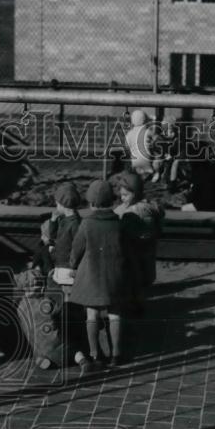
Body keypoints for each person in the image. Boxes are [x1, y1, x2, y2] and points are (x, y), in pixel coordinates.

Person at [68, 180, 127, 369]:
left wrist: (72, 266)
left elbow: (77, 249)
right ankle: (116, 354)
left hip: (91, 276)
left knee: (91, 315)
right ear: (111, 201)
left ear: (91, 203)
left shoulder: (86, 223)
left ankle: (95, 354)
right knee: (115, 315)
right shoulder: (118, 223)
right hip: (115, 276)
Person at [114, 172, 164, 309]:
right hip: (147, 252)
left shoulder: (130, 213)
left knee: (133, 281)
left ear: (135, 193)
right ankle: (139, 304)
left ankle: (134, 306)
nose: (122, 198)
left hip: (133, 253)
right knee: (141, 282)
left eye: (125, 195)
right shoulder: (151, 207)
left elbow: (121, 230)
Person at [125, 109, 157, 178]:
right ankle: (154, 173)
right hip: (147, 162)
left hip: (135, 162)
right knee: (157, 154)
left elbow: (126, 146)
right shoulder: (148, 132)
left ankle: (139, 173)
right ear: (145, 120)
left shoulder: (130, 133)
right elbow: (155, 142)